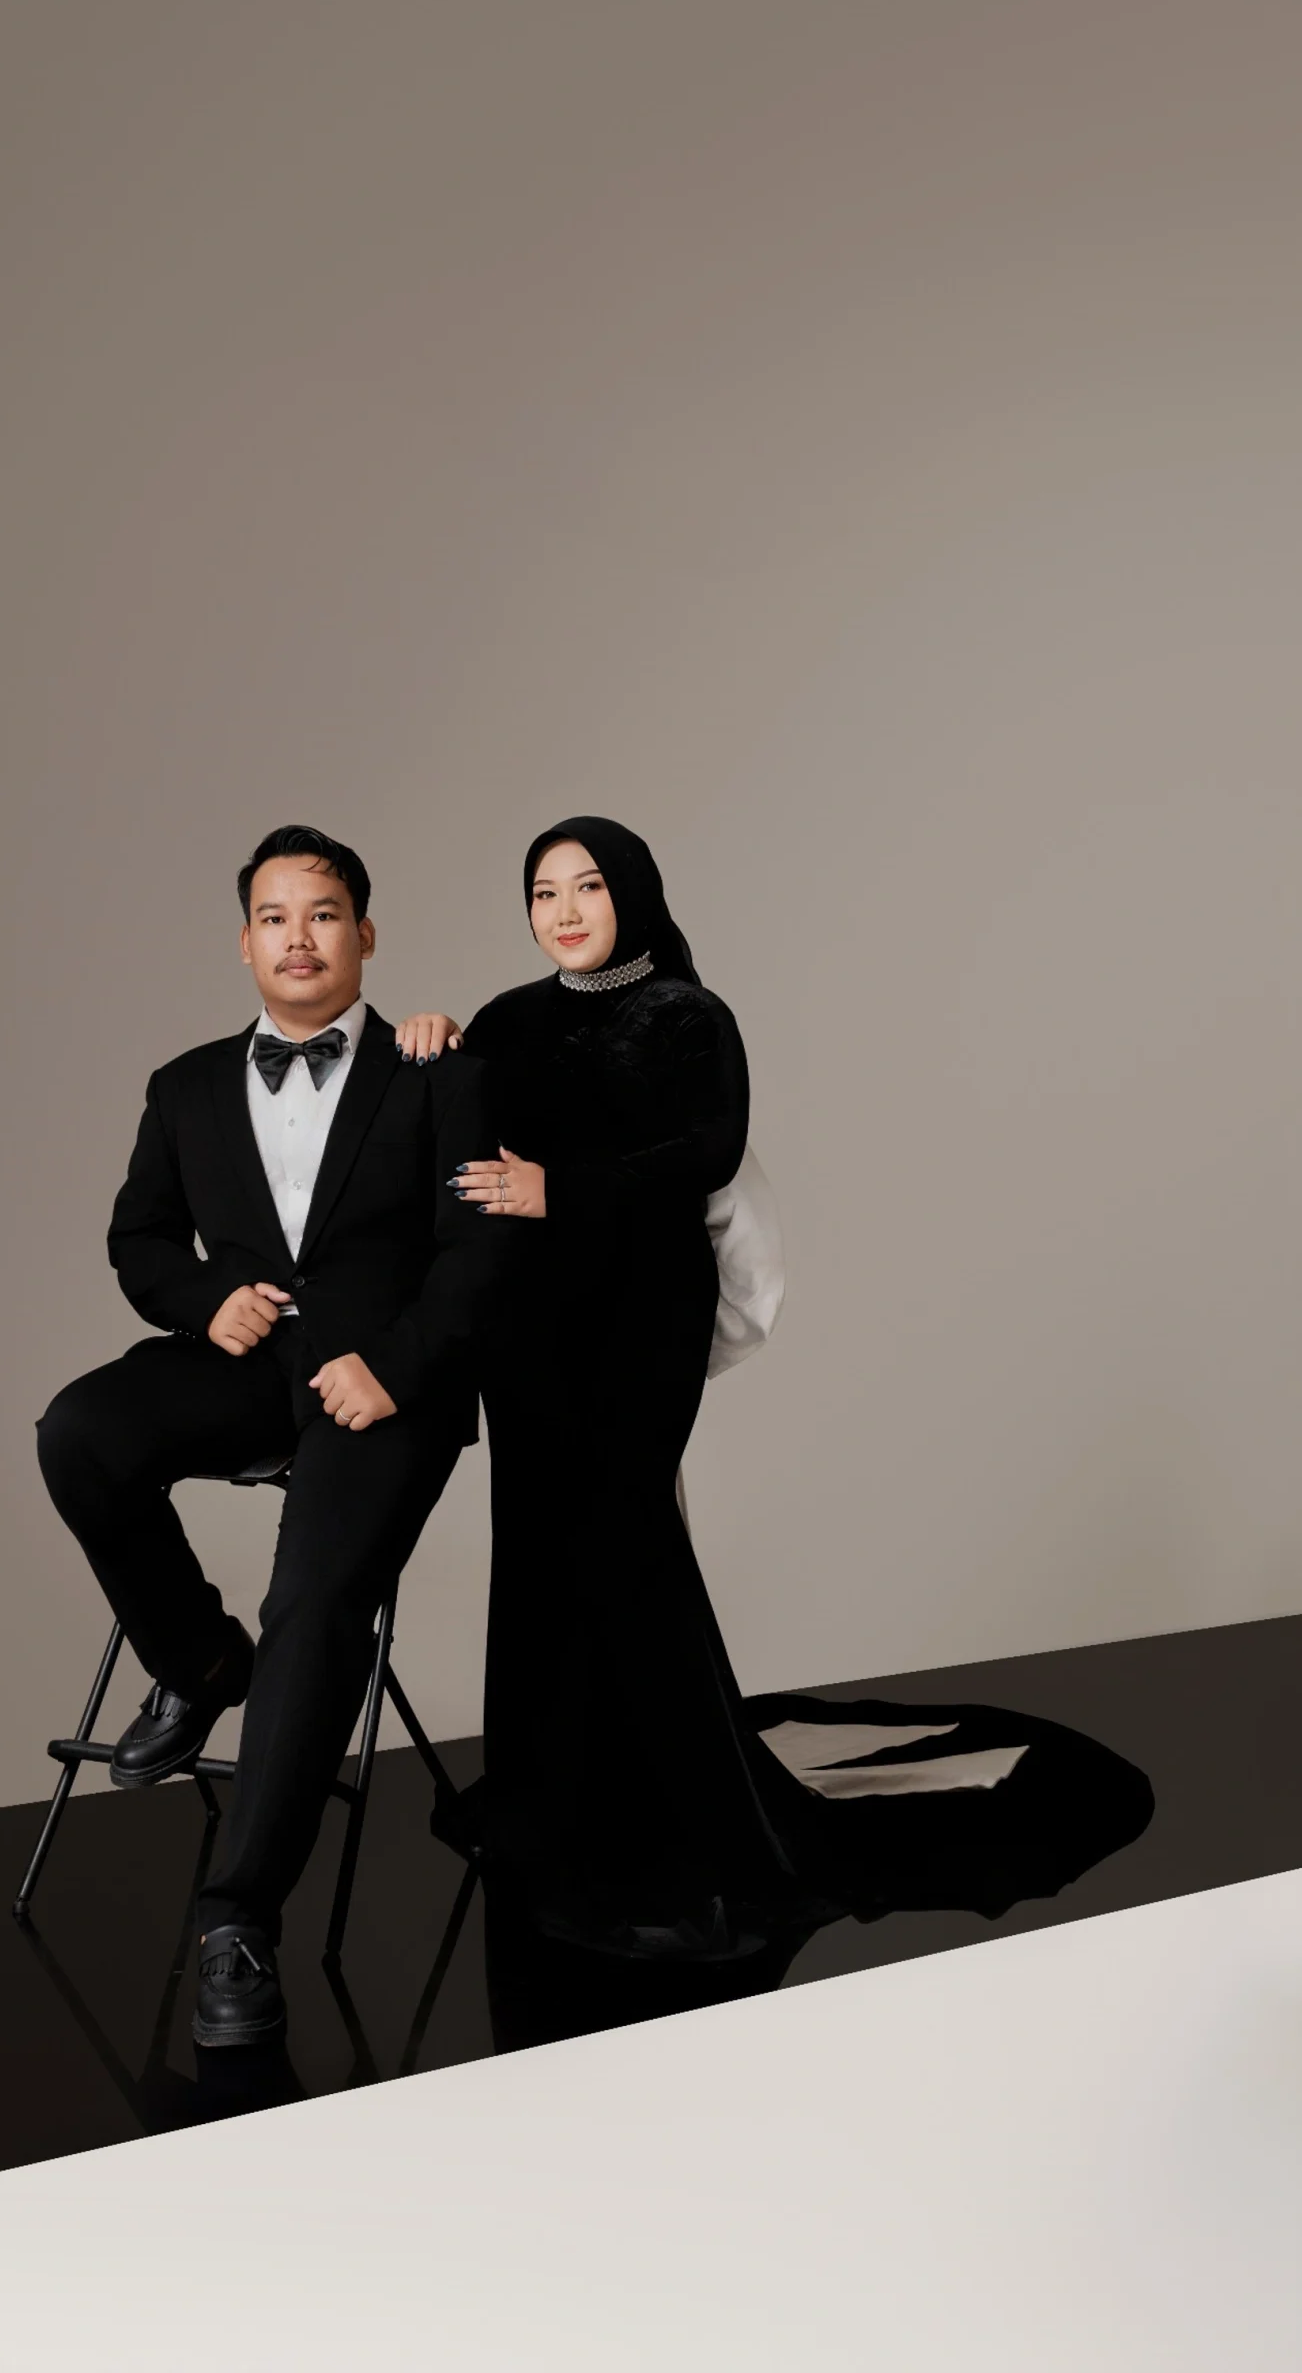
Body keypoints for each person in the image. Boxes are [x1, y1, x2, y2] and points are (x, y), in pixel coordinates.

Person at [35, 824, 508, 2046]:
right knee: (80, 1430)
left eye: (323, 913)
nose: (298, 937)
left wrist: (395, 1367)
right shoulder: (184, 1084)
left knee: (313, 1598)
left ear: (365, 934)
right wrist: (205, 1301)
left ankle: (235, 1919)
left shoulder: (434, 1069)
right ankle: (201, 1664)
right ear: (243, 941)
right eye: (273, 916)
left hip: (384, 1385)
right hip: (241, 1369)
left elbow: (480, 1251)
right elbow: (140, 1240)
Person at [396, 816, 820, 1955]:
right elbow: (447, 1133)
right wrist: (427, 1045)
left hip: (643, 1311)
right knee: (539, 1548)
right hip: (529, 1322)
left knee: (628, 1542)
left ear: (631, 891)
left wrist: (561, 1189)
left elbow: (708, 1151)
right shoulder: (504, 1020)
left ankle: (701, 1846)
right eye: (544, 892)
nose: (565, 911)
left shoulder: (688, 1014)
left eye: (587, 886)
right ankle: (554, 1821)